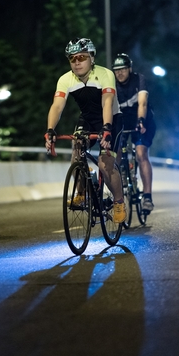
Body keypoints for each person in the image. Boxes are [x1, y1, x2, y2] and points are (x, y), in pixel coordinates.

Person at [44, 38, 127, 224]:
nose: (77, 62)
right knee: (77, 151)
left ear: (92, 57)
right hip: (88, 119)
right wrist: (50, 130)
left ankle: (119, 202)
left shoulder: (105, 74)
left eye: (81, 57)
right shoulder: (65, 79)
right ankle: (82, 192)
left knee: (105, 164)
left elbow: (107, 102)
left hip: (111, 118)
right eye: (72, 59)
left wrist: (106, 128)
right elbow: (57, 107)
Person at [112, 53, 156, 212]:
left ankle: (147, 197)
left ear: (129, 69)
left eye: (123, 69)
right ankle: (119, 183)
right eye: (116, 70)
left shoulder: (138, 80)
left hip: (142, 122)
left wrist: (141, 121)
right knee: (115, 152)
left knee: (140, 153)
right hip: (123, 123)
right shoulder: (112, 84)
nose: (119, 73)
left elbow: (142, 103)